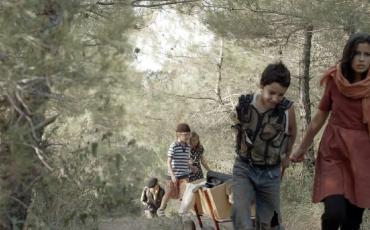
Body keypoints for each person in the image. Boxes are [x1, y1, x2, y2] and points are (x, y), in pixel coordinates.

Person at [290, 32, 370, 230]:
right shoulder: (335, 80)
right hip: (333, 153)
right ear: (348, 55)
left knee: (352, 221)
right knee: (334, 213)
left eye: (367, 54)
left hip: (362, 157)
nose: (361, 59)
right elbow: (318, 119)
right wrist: (301, 149)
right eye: (357, 53)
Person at [231, 61, 297, 230]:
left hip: (271, 172)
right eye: (271, 93)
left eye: (280, 95)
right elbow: (236, 126)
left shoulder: (286, 110)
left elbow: (291, 132)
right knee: (241, 212)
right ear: (262, 86)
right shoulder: (246, 104)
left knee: (272, 222)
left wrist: (286, 156)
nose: (275, 98)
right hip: (245, 168)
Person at [157, 123, 191, 216]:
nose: (187, 136)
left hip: (184, 174)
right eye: (185, 134)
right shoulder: (174, 145)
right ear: (178, 134)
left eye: (188, 134)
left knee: (185, 193)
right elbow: (168, 162)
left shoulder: (188, 146)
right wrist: (172, 175)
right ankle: (161, 209)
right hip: (173, 174)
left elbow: (186, 160)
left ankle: (182, 211)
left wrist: (191, 166)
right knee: (168, 193)